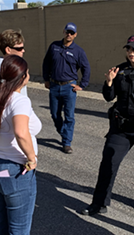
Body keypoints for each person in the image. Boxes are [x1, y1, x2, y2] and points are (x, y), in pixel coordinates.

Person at [81, 34, 134, 216]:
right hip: (122, 127)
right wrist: (109, 82)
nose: (131, 52)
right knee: (109, 163)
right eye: (128, 49)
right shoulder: (119, 70)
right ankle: (99, 203)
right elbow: (109, 97)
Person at [0, 55, 42, 235]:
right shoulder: (19, 100)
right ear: (23, 77)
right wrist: (32, 158)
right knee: (19, 232)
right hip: (14, 171)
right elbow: (21, 133)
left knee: (1, 223)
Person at [42, 22, 90, 154]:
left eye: (72, 33)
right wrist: (46, 79)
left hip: (69, 87)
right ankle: (64, 133)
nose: (69, 34)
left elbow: (86, 68)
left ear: (75, 35)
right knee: (54, 114)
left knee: (69, 116)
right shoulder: (54, 46)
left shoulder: (78, 51)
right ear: (64, 32)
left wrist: (82, 85)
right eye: (67, 32)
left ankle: (66, 143)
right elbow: (46, 63)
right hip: (54, 85)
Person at [0, 29, 28, 96]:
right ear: (8, 50)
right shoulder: (1, 68)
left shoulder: (12, 65)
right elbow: (2, 96)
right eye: (19, 48)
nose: (23, 51)